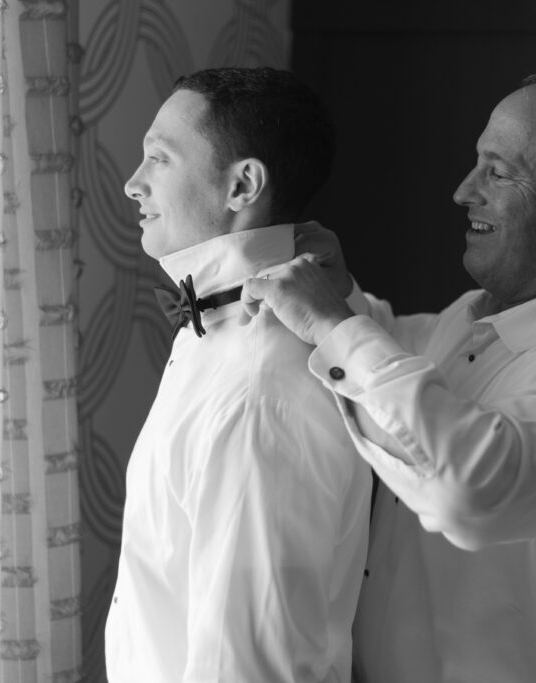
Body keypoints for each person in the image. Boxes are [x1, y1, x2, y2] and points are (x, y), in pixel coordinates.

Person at [242, 70, 536, 683]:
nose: (462, 191)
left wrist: (337, 325)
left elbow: (468, 488)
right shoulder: (469, 321)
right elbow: (399, 362)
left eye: (499, 172)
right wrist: (341, 294)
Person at [104, 67, 371, 682]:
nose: (131, 184)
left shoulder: (260, 391)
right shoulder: (218, 336)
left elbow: (248, 666)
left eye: (158, 159)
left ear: (242, 185)